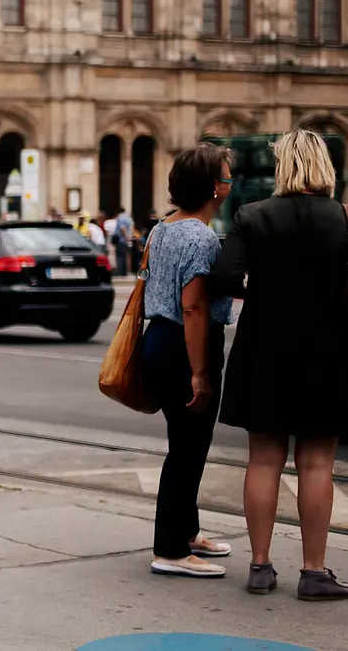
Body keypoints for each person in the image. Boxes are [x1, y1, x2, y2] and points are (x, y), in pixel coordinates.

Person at [209, 130, 348, 601]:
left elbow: (225, 275)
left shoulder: (252, 215)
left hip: (264, 348)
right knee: (317, 464)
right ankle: (313, 572)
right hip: (326, 352)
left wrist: (264, 292)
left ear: (284, 167)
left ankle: (261, 567)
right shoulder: (343, 219)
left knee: (264, 459)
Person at [136, 144, 235, 580]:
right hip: (185, 345)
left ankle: (187, 532)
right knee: (187, 449)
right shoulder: (200, 236)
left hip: (158, 339)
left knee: (186, 443)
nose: (231, 184)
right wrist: (200, 372)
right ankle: (171, 550)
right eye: (228, 177)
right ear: (215, 187)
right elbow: (193, 307)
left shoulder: (163, 228)